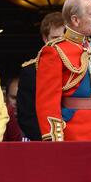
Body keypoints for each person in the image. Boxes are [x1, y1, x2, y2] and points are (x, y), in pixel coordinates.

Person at [35, 0, 91, 141]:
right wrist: (55, 139)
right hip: (73, 135)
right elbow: (47, 102)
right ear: (75, 20)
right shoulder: (54, 50)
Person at [17, 11, 66, 141]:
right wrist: (48, 140)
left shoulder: (81, 65)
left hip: (78, 139)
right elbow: (26, 116)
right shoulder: (31, 71)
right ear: (45, 39)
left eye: (64, 38)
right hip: (46, 141)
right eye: (55, 38)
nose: (60, 44)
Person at [3, 76, 23, 141]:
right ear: (5, 97)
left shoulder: (37, 123)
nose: (17, 102)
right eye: (14, 98)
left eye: (22, 99)